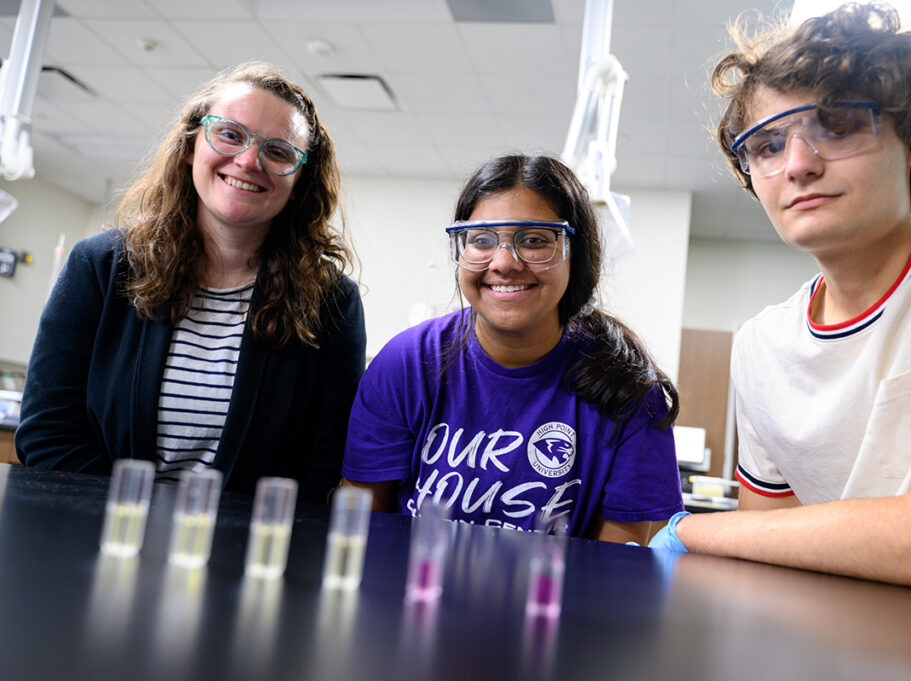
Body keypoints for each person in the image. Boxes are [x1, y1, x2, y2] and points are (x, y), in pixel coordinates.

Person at [649, 2, 911, 593]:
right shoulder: (762, 345)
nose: (798, 164)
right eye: (768, 146)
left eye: (838, 124)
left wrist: (692, 532)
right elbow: (772, 553)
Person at [16, 63, 366, 504]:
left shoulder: (331, 301)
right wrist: (133, 520)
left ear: (299, 181)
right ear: (190, 146)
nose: (248, 160)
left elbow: (322, 465)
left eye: (278, 151)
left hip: (239, 553)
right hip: (97, 535)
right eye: (230, 134)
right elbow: (48, 434)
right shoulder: (100, 267)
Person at [342, 154, 683, 542]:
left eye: (535, 240)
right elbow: (361, 531)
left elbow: (618, 571)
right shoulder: (407, 363)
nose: (504, 262)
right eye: (482, 240)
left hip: (554, 601)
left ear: (577, 253)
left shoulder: (630, 394)